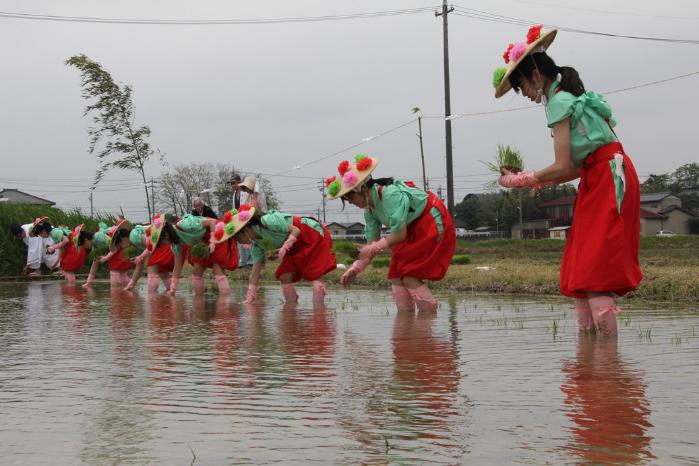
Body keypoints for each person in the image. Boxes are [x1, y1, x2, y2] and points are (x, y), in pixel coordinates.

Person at [492, 25, 642, 337]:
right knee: (583, 270)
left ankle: (606, 368)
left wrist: (520, 180)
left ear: (535, 74)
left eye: (521, 87)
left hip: (606, 179)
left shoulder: (559, 102)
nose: (526, 95)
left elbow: (562, 166)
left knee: (596, 271)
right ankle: (589, 367)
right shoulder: (569, 96)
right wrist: (532, 180)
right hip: (596, 177)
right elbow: (574, 167)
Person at [328, 154, 455, 312]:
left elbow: (398, 235)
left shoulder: (389, 194)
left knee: (409, 276)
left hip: (429, 220)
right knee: (396, 277)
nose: (351, 203)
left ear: (364, 188)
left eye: (351, 198)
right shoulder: (369, 209)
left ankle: (428, 318)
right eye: (347, 200)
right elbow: (371, 244)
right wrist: (356, 267)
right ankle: (405, 329)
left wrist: (372, 248)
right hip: (408, 228)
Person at [230, 204, 337, 304]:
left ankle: (319, 313)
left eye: (238, 238)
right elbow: (255, 271)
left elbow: (296, 230)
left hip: (311, 233)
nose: (239, 242)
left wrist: (285, 247)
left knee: (316, 273)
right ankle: (291, 306)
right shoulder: (256, 245)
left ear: (246, 229)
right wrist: (250, 295)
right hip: (294, 246)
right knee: (284, 276)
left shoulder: (267, 221)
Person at [174, 213, 238, 295]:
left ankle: (225, 300)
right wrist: (173, 286)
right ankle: (199, 297)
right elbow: (178, 265)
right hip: (202, 240)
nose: (165, 243)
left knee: (217, 268)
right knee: (197, 270)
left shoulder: (185, 224)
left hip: (215, 231)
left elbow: (212, 222)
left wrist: (212, 240)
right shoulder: (174, 243)